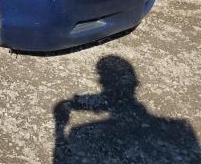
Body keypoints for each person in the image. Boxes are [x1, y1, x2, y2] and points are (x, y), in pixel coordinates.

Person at [53, 55, 200, 163]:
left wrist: (59, 128)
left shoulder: (78, 132)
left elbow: (62, 158)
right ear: (135, 83)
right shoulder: (182, 129)